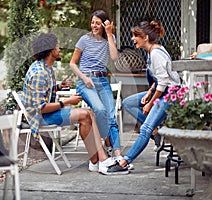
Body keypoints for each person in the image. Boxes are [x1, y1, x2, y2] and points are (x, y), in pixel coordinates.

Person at [22, 32, 128, 175]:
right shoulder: (40, 72)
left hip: (45, 114)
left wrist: (58, 86)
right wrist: (66, 102)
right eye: (57, 46)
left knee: (89, 114)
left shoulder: (45, 67)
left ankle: (97, 161)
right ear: (51, 50)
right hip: (39, 118)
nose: (59, 49)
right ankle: (101, 161)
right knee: (85, 115)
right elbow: (40, 108)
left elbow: (42, 92)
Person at [118, 20, 181, 168]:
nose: (133, 39)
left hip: (170, 94)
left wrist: (151, 103)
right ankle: (155, 131)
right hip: (161, 90)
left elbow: (164, 82)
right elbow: (159, 79)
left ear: (145, 37)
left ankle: (125, 162)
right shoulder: (153, 51)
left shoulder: (156, 54)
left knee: (144, 128)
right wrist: (150, 92)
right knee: (128, 103)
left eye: (136, 36)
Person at [69, 10, 126, 165]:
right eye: (93, 22)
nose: (94, 25)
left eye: (98, 23)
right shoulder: (84, 40)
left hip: (102, 80)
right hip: (86, 81)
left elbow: (114, 57)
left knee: (111, 116)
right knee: (100, 110)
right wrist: (84, 78)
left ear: (105, 24)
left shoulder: (110, 38)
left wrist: (109, 34)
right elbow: (72, 63)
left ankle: (117, 154)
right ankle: (107, 142)